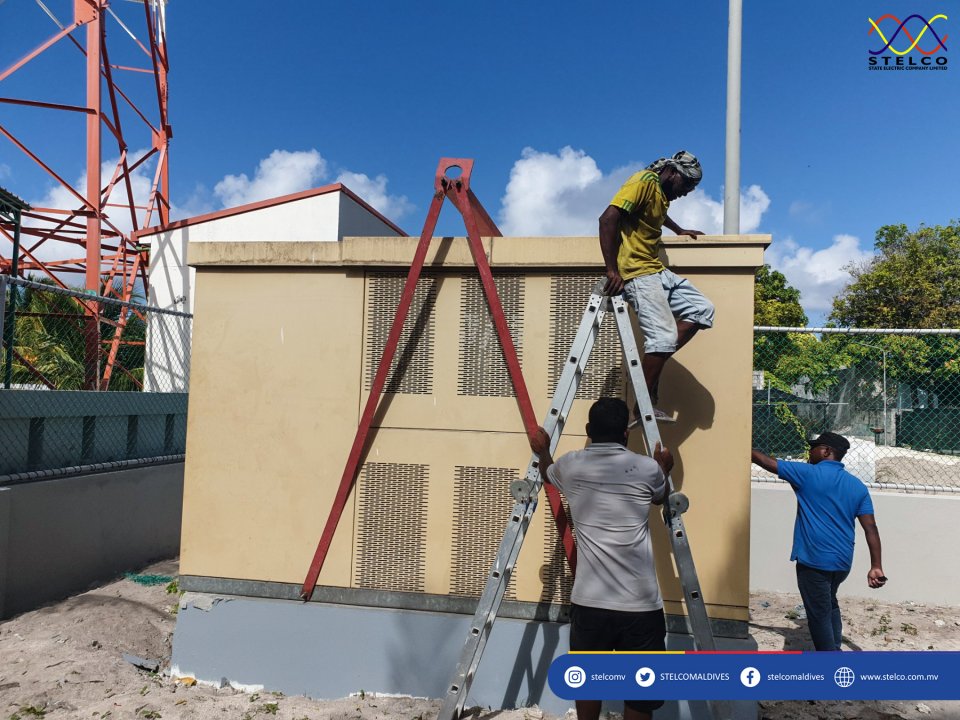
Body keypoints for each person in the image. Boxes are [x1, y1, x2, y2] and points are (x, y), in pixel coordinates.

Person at [529, 398, 673, 720]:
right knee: (641, 692)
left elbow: (548, 475)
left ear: (588, 431)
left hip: (590, 603)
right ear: (626, 434)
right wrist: (665, 467)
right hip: (641, 606)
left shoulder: (570, 465)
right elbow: (660, 496)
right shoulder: (647, 469)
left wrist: (542, 450)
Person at [598, 151, 715, 423]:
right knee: (661, 340)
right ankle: (643, 403)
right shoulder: (642, 181)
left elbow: (657, 216)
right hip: (637, 273)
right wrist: (612, 270)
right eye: (686, 185)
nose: (686, 192)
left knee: (702, 309)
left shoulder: (661, 195)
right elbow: (607, 219)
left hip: (657, 270)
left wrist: (678, 229)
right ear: (673, 173)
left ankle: (654, 362)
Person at [751, 432, 887, 651]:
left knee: (818, 615)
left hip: (814, 562)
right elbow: (870, 527)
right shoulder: (857, 486)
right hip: (842, 563)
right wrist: (876, 566)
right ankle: (834, 648)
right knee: (829, 603)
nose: (809, 452)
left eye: (814, 447)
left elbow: (766, 461)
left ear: (826, 451)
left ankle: (829, 661)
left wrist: (742, 446)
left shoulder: (807, 474)